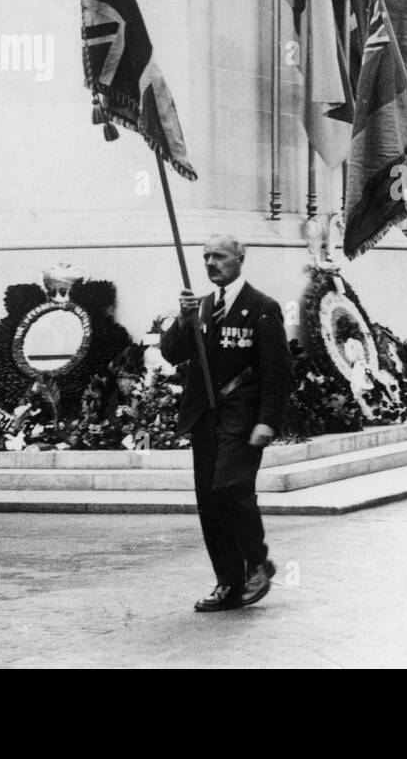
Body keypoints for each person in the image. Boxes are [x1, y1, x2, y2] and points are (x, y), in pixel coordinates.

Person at [160, 234, 293, 612]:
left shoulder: (262, 308)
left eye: (219, 256)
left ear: (240, 258)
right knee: (209, 498)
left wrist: (268, 421)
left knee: (230, 485)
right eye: (205, 257)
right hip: (205, 416)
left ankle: (258, 562)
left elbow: (278, 372)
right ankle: (228, 583)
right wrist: (183, 319)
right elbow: (172, 354)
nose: (210, 263)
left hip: (243, 416)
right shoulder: (200, 307)